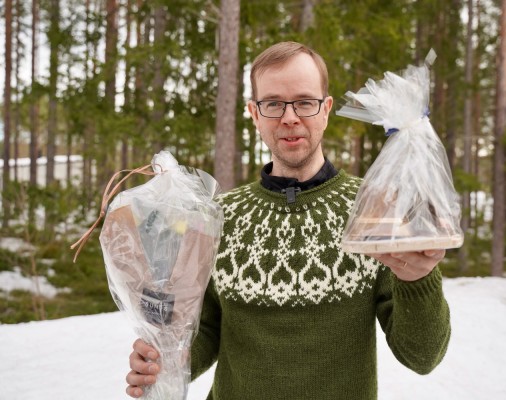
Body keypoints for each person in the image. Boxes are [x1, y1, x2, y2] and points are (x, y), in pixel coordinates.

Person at [125, 41, 450, 400]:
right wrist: (166, 360)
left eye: (305, 102)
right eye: (274, 103)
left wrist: (418, 279)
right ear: (254, 112)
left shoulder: (374, 212)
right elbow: (206, 329)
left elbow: (422, 356)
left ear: (325, 110)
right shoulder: (218, 217)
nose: (290, 117)